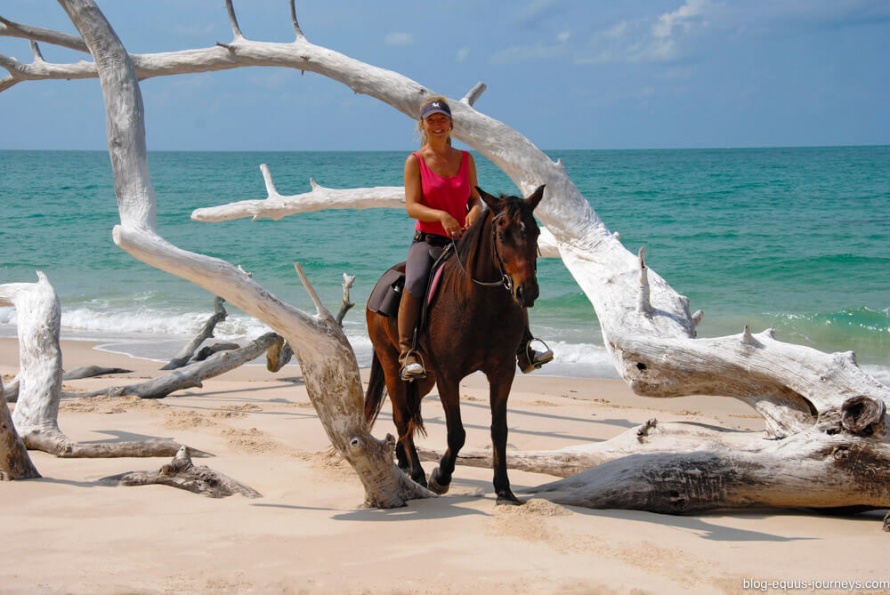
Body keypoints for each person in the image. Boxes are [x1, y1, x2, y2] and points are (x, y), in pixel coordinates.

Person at [397, 96, 553, 381]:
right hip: (429, 241)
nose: (438, 125)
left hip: (464, 241)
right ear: (423, 125)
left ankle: (525, 346)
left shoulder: (465, 159)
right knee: (416, 280)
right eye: (431, 121)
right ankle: (408, 352)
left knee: (508, 275)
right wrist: (442, 216)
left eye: (442, 119)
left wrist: (474, 211)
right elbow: (411, 206)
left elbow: (474, 200)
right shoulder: (415, 161)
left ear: (451, 124)